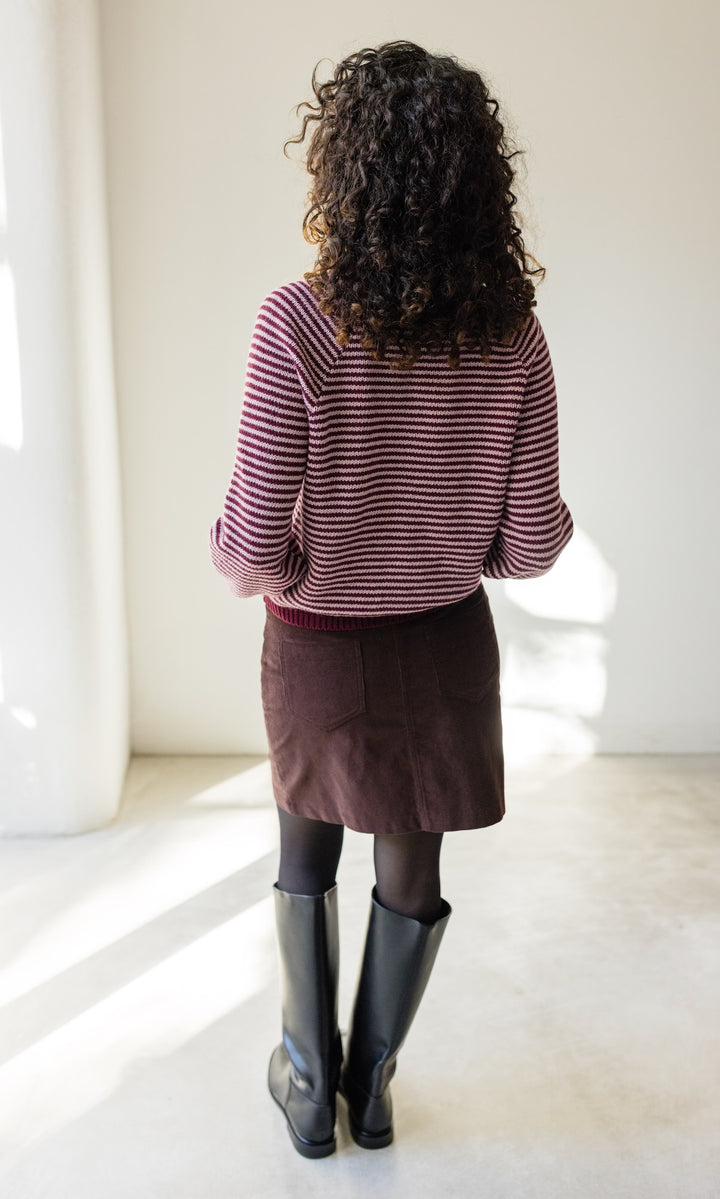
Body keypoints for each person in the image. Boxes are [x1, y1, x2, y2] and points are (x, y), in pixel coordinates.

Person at [209, 39, 573, 1158]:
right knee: (413, 861)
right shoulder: (512, 332)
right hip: (447, 642)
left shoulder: (299, 320)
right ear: (480, 183)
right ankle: (372, 1087)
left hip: (317, 641)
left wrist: (289, 578)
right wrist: (444, 535)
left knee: (306, 848)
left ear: (342, 170)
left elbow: (246, 537)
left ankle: (308, 1090)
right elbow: (534, 546)